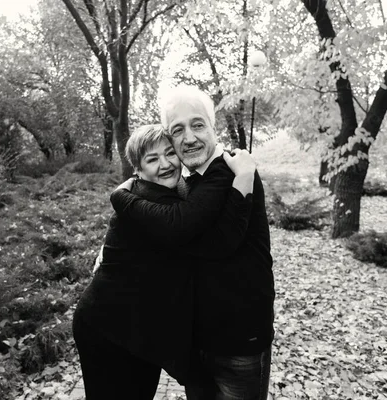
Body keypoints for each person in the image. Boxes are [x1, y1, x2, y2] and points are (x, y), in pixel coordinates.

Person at [110, 85, 274, 400]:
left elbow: (210, 242)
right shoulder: (191, 183)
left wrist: (122, 199)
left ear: (214, 128)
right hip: (199, 344)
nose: (189, 138)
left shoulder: (228, 173)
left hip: (239, 342)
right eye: (178, 130)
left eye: (197, 125)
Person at [72, 123, 258, 400]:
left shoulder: (157, 192)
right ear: (138, 169)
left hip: (138, 330)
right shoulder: (156, 203)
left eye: (170, 153)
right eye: (152, 159)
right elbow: (218, 241)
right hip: (106, 328)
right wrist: (243, 180)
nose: (165, 164)